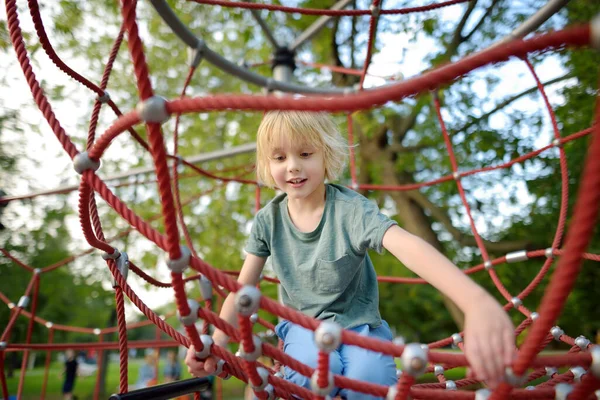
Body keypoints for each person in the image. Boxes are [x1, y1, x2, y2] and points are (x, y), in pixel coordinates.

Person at [186, 111, 515, 399]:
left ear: (326, 155)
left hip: (359, 326)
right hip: (302, 326)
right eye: (279, 158)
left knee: (370, 380)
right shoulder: (268, 221)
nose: (294, 167)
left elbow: (407, 246)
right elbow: (242, 290)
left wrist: (475, 301)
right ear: (266, 163)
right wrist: (217, 344)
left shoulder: (351, 211)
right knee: (308, 378)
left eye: (305, 153)